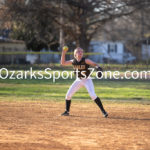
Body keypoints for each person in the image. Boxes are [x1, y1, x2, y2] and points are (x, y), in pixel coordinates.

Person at [61, 46, 108, 118]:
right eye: (78, 51)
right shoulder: (73, 61)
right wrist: (64, 53)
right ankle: (67, 111)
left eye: (81, 51)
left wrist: (98, 68)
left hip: (87, 79)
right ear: (75, 54)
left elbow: (95, 64)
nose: (80, 53)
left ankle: (103, 111)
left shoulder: (86, 60)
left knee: (93, 95)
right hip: (78, 80)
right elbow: (63, 63)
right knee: (68, 95)